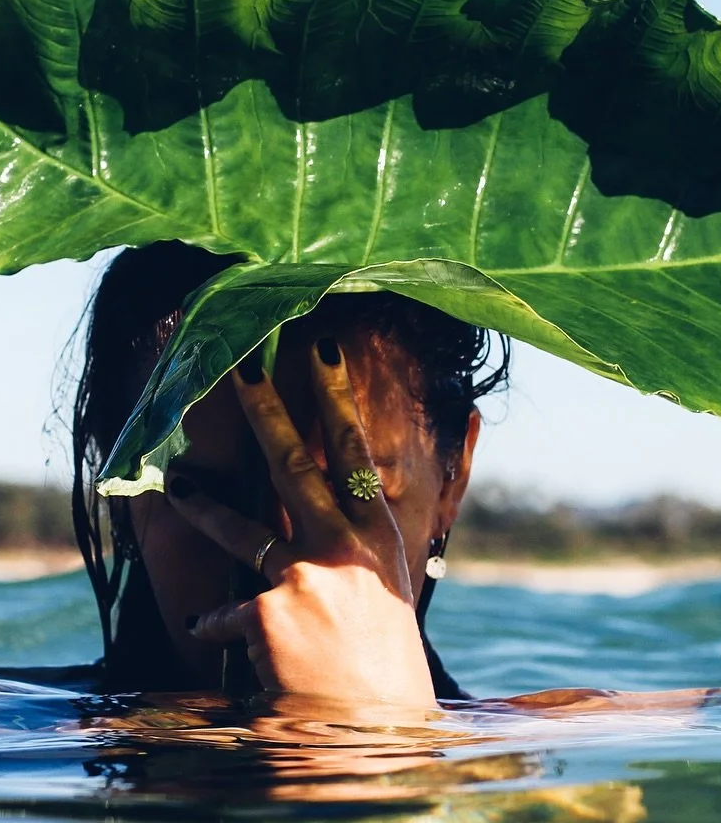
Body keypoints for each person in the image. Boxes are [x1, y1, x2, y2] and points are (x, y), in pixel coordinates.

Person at [70, 241, 509, 707]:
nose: (283, 572)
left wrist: (372, 726)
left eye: (348, 491)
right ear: (114, 476)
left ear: (452, 478)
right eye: (207, 497)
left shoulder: (549, 750)